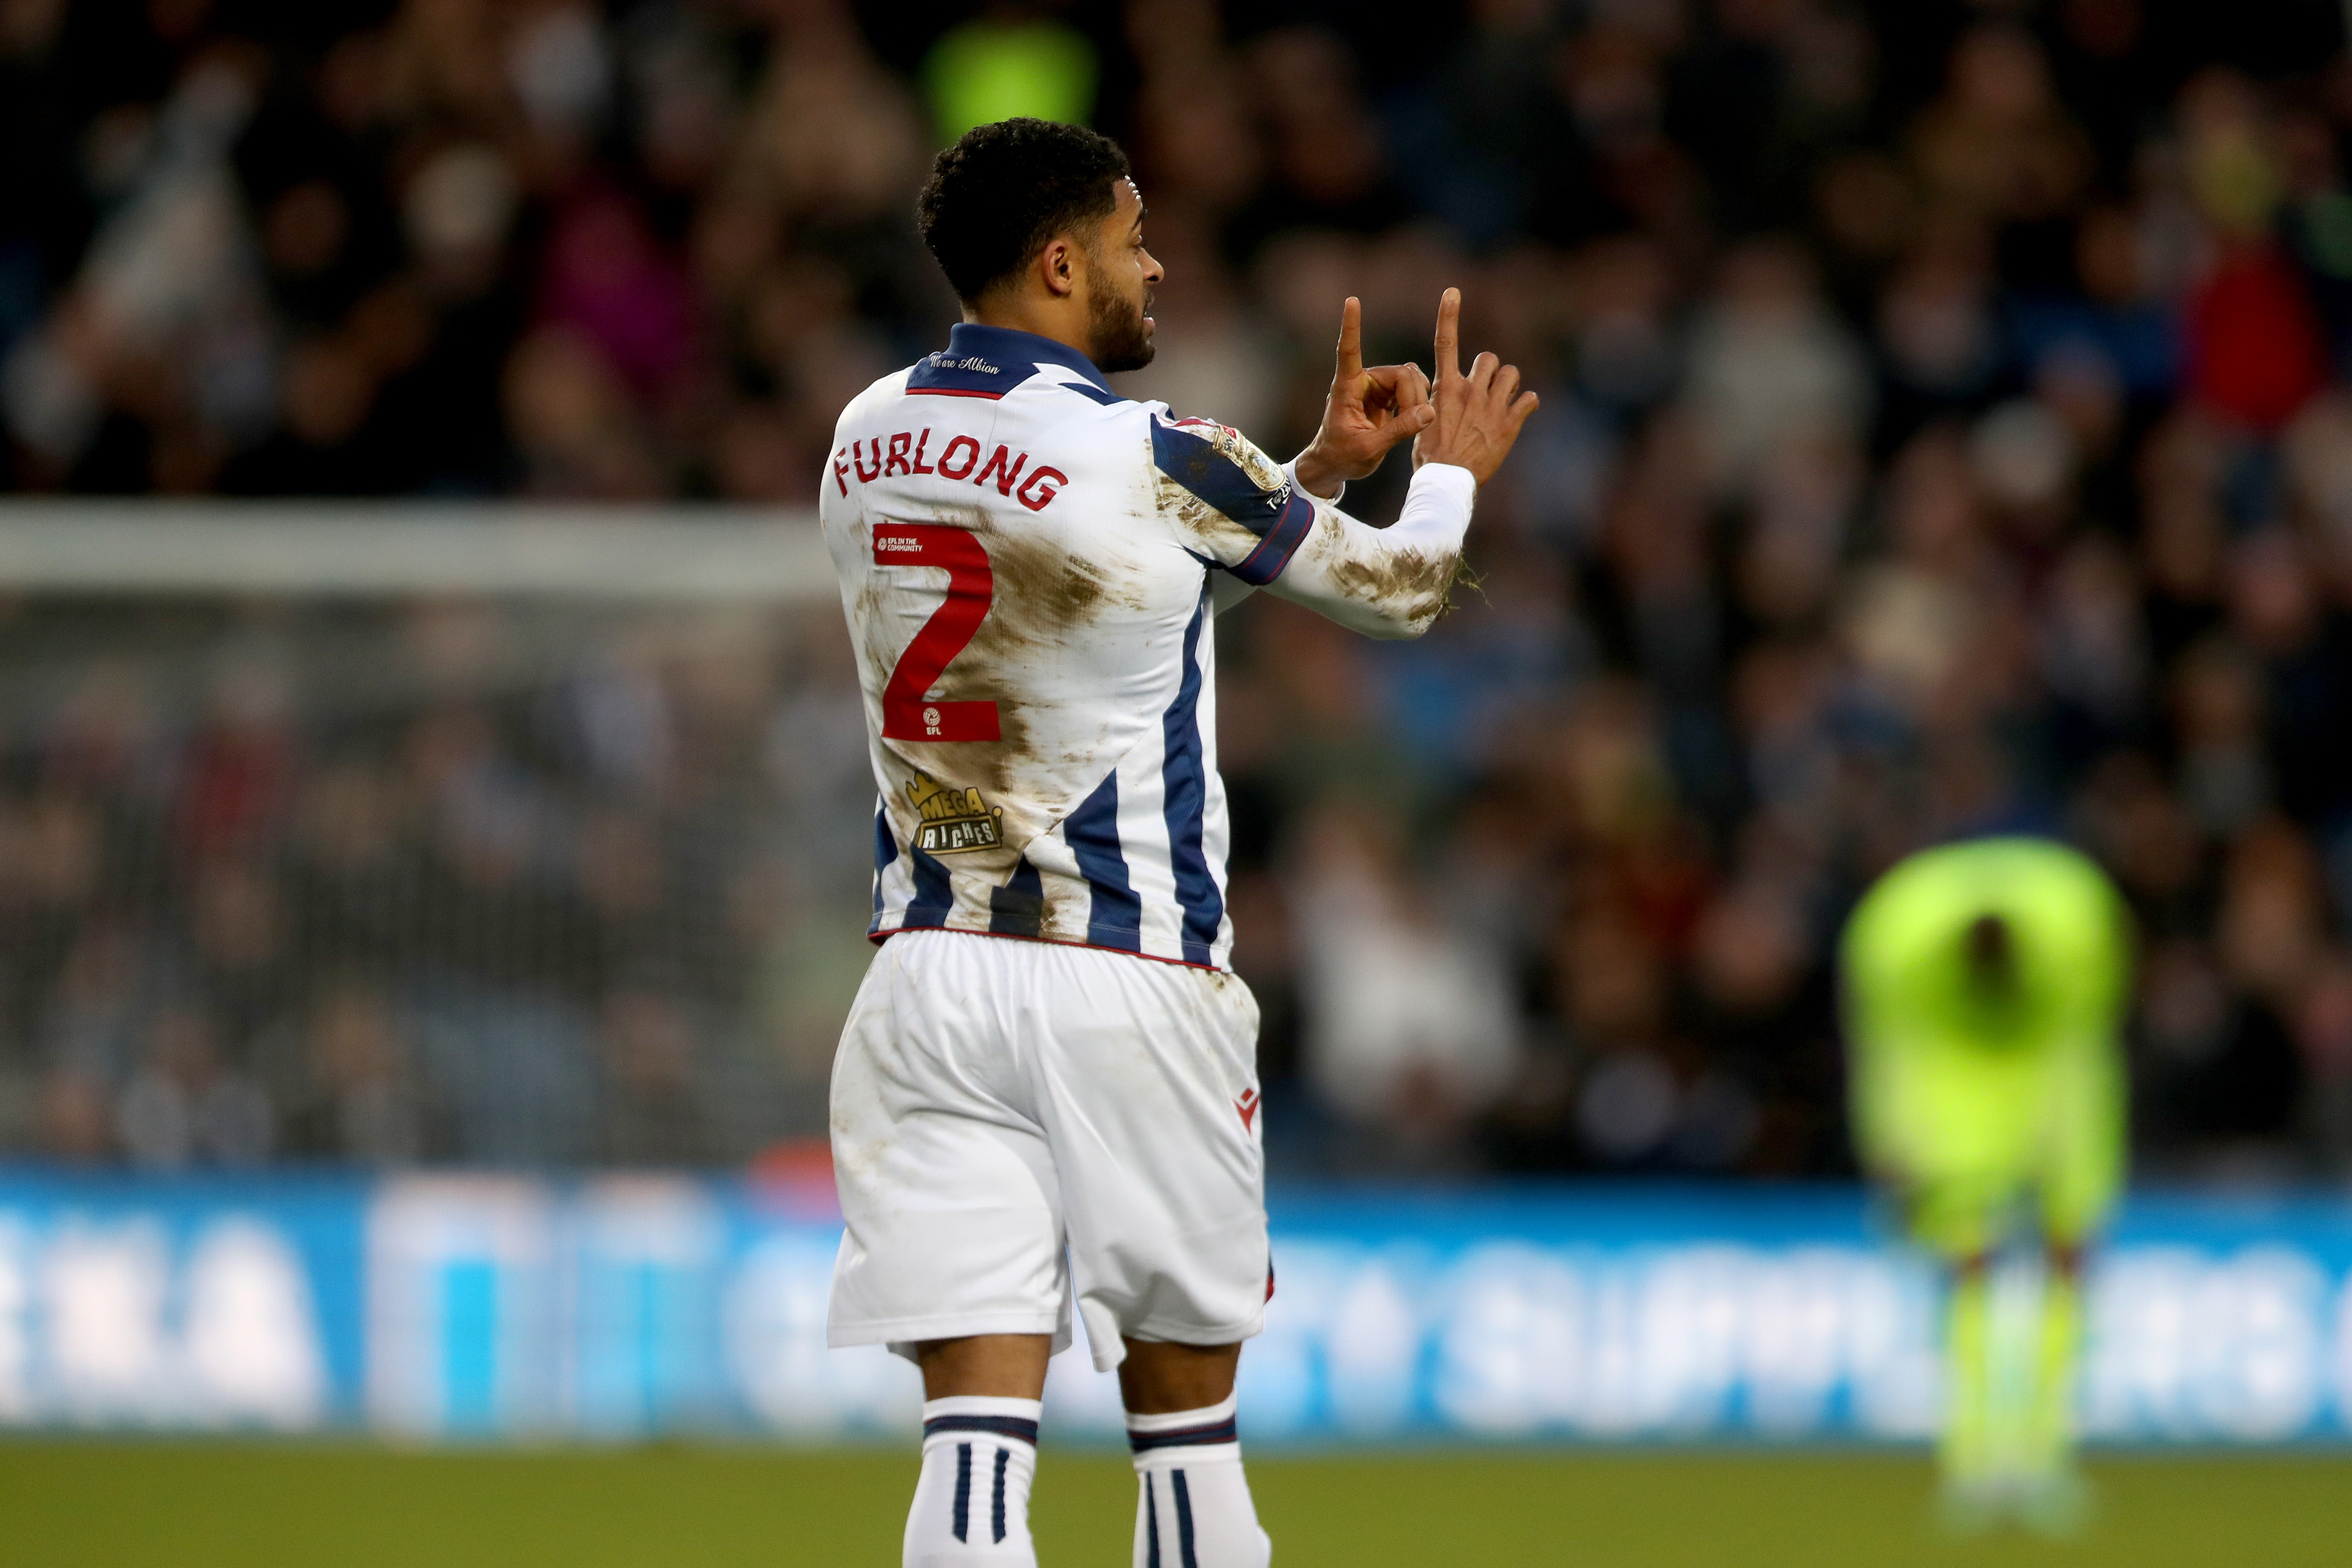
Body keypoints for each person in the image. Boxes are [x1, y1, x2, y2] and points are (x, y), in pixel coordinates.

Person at [819, 117, 1535, 1568]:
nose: (1158, 265)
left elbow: (1103, 594)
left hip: (927, 980)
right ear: (1060, 259)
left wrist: (1308, 469)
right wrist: (1441, 473)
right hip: (1128, 979)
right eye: (1135, 238)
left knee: (969, 1446)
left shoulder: (864, 432)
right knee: (1187, 1445)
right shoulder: (1169, 452)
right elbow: (1398, 592)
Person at [1839, 836, 2132, 1531]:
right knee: (1967, 1265)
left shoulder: (2075, 927)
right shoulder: (1896, 941)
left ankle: (2043, 1454)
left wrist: (2064, 1156)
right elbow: (1886, 1055)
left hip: (2056, 1077)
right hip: (1955, 1084)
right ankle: (1974, 1457)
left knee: (2068, 1261)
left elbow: (2084, 1046)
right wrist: (1891, 1150)